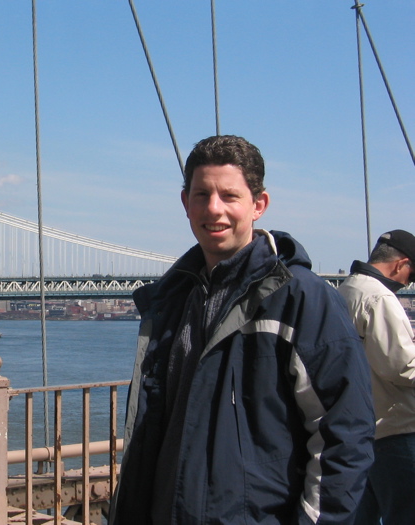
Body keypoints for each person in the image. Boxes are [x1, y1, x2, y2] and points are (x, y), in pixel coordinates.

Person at [110, 135, 374, 524]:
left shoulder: (302, 299)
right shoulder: (170, 302)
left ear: (259, 205)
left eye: (229, 196)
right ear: (185, 203)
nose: (213, 209)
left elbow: (345, 436)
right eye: (201, 195)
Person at [337, 230, 415, 525]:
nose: (408, 283)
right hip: (396, 430)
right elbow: (402, 366)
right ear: (400, 264)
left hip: (360, 430)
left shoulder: (346, 289)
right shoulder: (380, 297)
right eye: (412, 274)